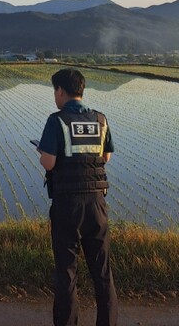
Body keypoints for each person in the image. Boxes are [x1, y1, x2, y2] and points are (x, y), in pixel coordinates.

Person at [37, 67, 118, 326]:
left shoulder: (56, 120)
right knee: (102, 273)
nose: (55, 96)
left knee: (67, 272)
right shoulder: (101, 119)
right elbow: (106, 156)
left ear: (61, 91)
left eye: (55, 91)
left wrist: (42, 154)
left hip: (67, 206)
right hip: (97, 205)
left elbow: (49, 163)